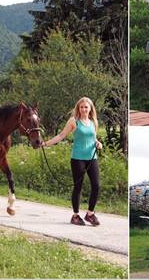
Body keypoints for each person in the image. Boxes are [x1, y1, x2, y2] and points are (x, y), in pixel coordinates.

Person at [42, 97, 103, 226]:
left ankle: (90, 214)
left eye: (86, 107)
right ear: (78, 108)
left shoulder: (93, 122)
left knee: (96, 186)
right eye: (81, 107)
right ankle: (75, 216)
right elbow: (61, 135)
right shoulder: (73, 121)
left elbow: (93, 138)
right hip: (78, 158)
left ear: (90, 108)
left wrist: (98, 143)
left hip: (92, 157)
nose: (84, 109)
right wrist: (45, 143)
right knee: (78, 187)